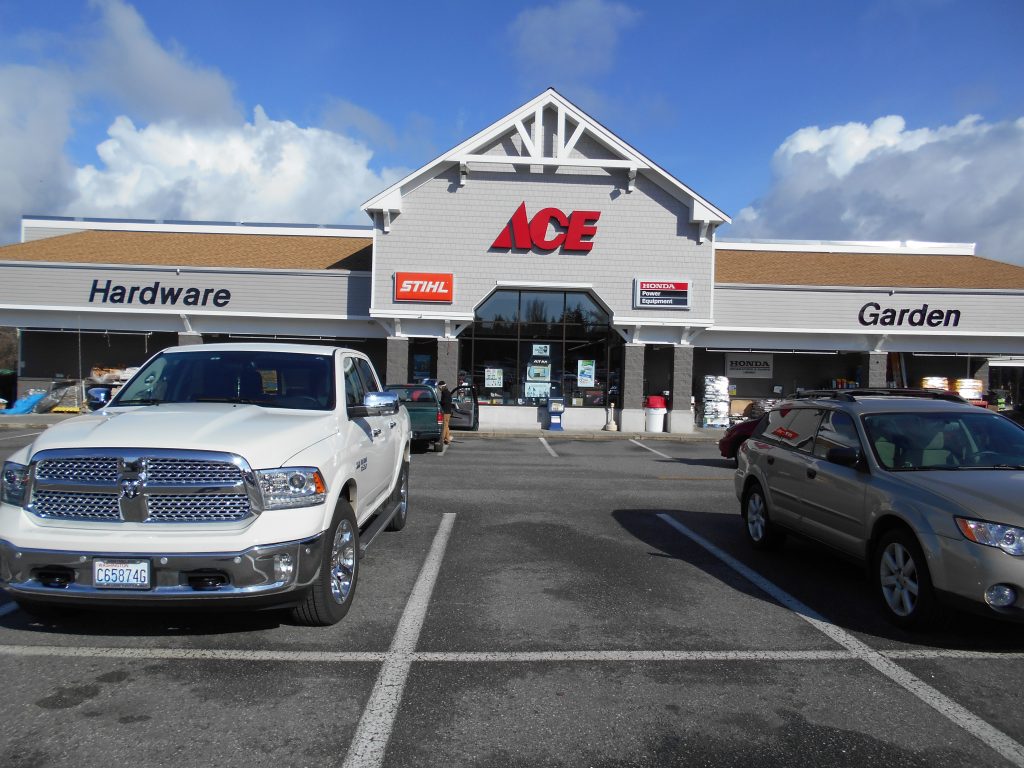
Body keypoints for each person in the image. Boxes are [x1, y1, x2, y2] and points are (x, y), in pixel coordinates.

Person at [439, 380, 453, 445]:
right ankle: (447, 439)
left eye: (439, 387)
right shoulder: (448, 392)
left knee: (444, 426)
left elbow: (444, 402)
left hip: (445, 412)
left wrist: (440, 402)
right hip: (448, 411)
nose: (439, 388)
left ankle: (441, 439)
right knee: (446, 426)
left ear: (442, 386)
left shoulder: (444, 393)